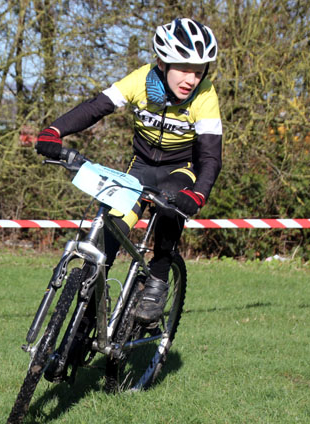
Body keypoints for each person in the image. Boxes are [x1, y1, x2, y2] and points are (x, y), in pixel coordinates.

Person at [35, 18, 222, 323]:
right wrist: (54, 131)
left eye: (199, 72)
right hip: (141, 167)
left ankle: (158, 279)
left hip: (181, 169)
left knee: (172, 203)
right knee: (114, 229)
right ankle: (92, 300)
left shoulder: (205, 96)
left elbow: (212, 157)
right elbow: (95, 108)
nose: (192, 79)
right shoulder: (141, 81)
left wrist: (198, 193)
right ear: (162, 62)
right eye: (184, 69)